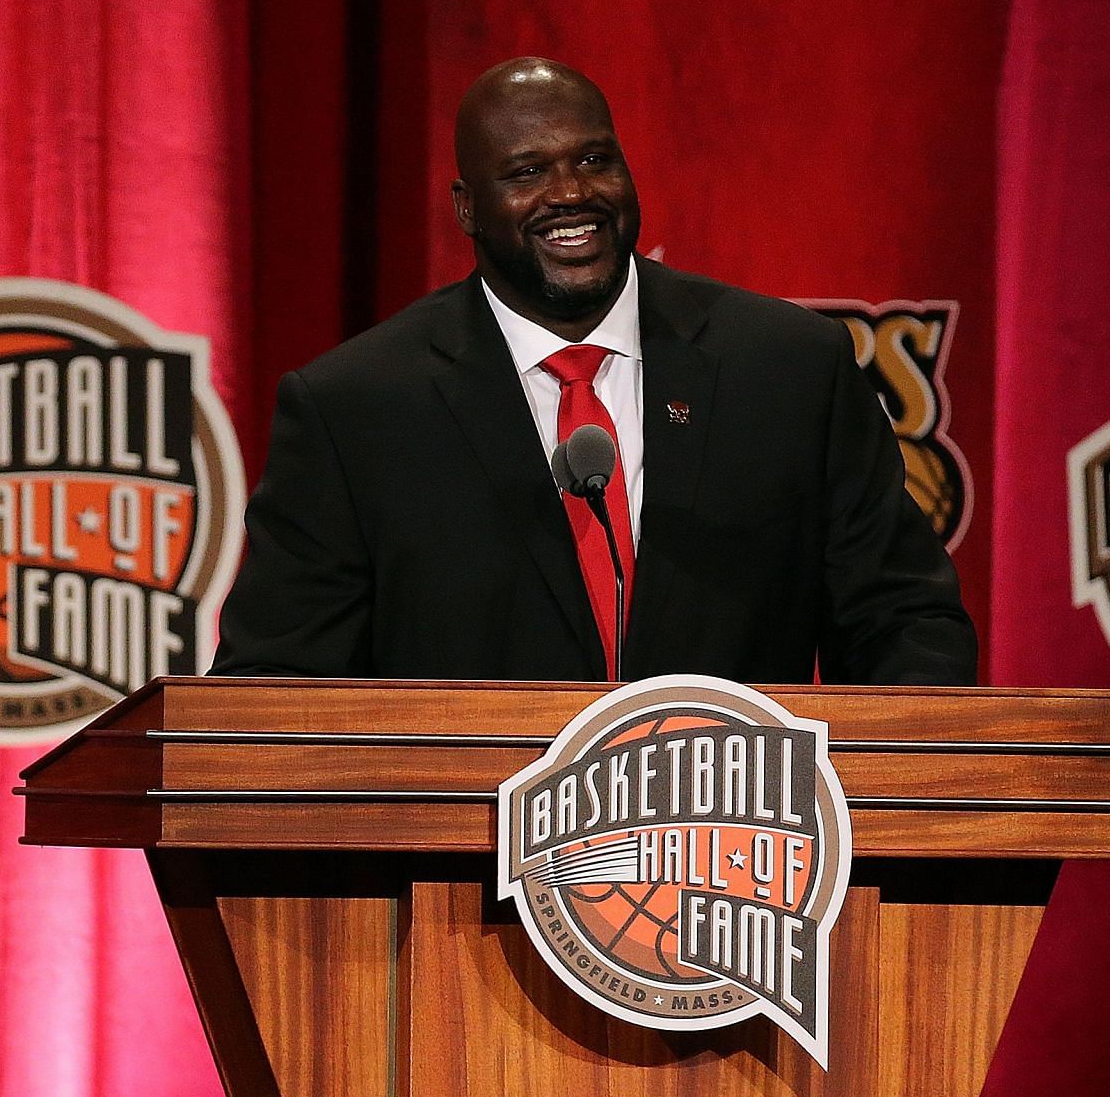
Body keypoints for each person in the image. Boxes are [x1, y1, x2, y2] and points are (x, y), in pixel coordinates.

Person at [211, 57, 977, 685]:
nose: (571, 193)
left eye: (593, 160)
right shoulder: (357, 409)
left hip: (741, 856)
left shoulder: (786, 368)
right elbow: (276, 682)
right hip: (462, 863)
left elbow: (902, 621)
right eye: (526, 172)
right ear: (467, 207)